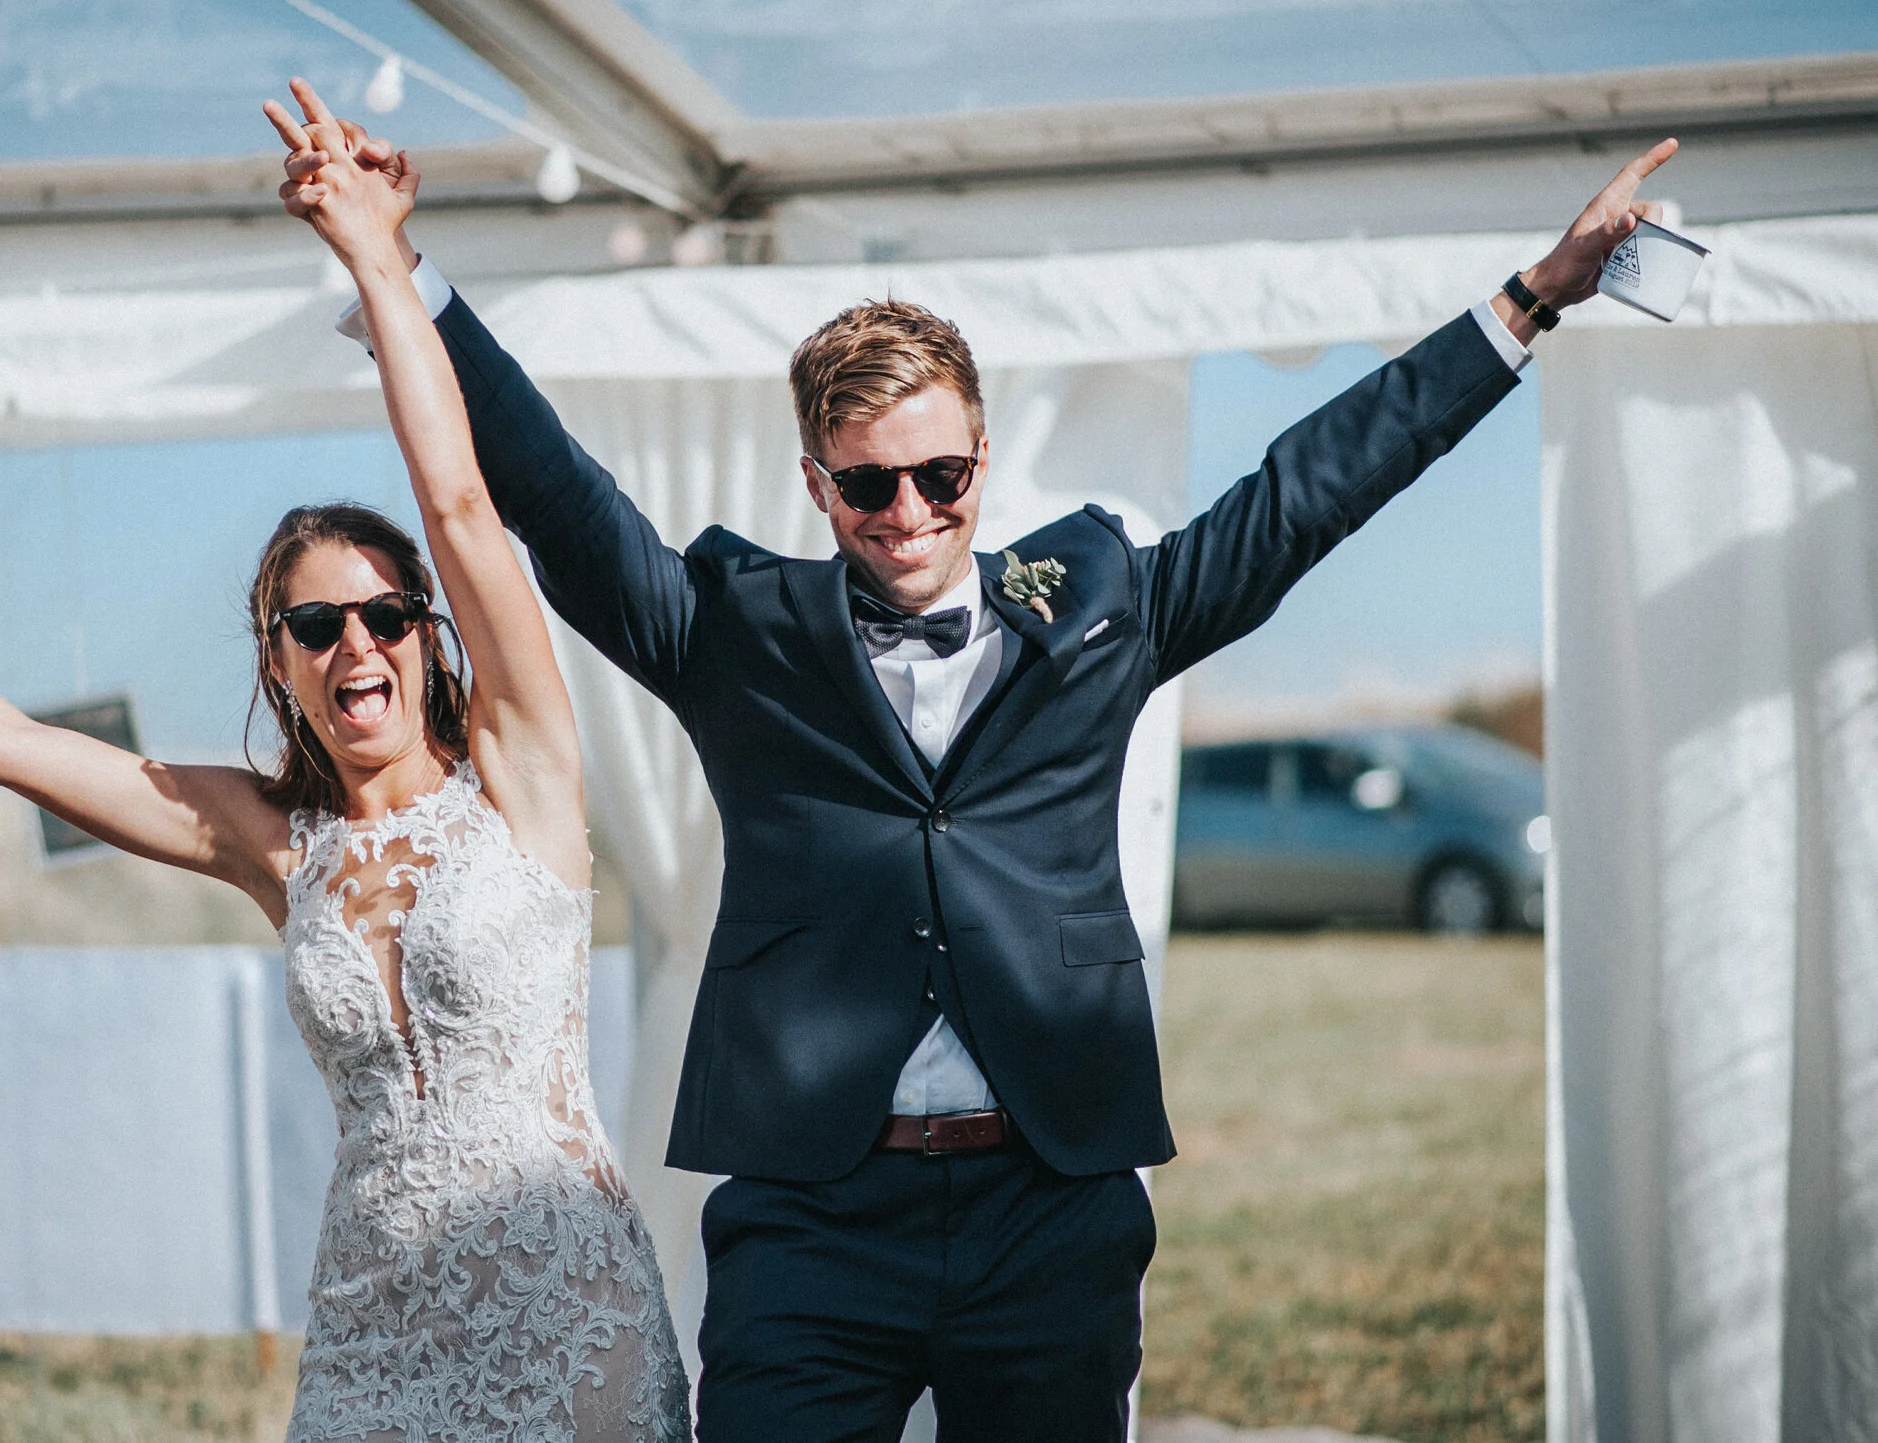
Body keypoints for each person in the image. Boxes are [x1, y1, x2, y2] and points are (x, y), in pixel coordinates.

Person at [274, 82, 1673, 1443]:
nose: (907, 513)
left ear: (982, 460)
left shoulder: (1105, 607)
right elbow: (550, 493)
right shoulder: (736, 632)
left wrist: (1532, 299)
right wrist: (401, 266)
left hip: (1048, 1206)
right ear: (816, 484)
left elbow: (1310, 491)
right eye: (868, 484)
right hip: (810, 1219)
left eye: (938, 476)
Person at [0, 101, 692, 1440]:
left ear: (426, 637)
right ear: (281, 664)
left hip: (570, 1312)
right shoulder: (276, 841)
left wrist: (376, 257)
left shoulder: (522, 776)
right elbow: (14, 748)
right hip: (378, 1331)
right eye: (317, 627)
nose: (358, 646)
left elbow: (457, 503)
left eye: (386, 616)